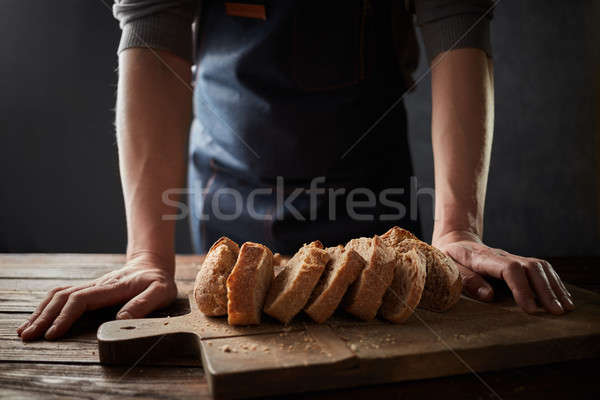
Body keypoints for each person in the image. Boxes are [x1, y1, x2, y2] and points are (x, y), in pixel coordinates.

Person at [18, 0, 574, 341]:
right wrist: (145, 255)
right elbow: (151, 25)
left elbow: (458, 17)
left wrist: (457, 230)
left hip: (369, 175)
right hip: (227, 178)